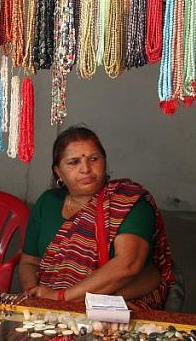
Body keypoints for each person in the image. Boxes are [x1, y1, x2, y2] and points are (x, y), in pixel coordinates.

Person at [18, 126, 178, 310]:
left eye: (94, 159)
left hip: (115, 305)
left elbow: (128, 265)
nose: (86, 169)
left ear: (104, 162)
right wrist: (34, 295)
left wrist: (61, 297)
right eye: (74, 162)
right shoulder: (48, 203)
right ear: (58, 172)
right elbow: (29, 261)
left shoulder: (129, 202)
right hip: (49, 305)